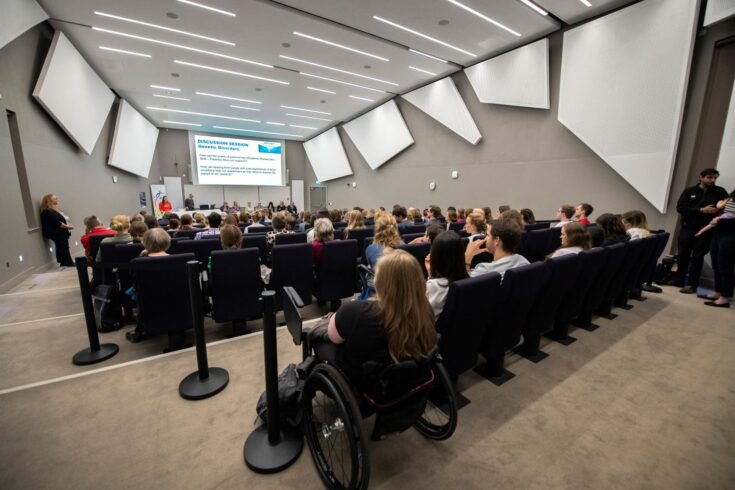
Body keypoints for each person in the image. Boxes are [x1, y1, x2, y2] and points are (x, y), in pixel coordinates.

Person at [313, 249, 437, 390]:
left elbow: (333, 338)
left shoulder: (357, 311)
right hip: (404, 378)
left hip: (367, 383)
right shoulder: (425, 309)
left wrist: (339, 316)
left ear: (382, 282)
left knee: (317, 341)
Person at [671, 168, 729, 293]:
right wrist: (700, 210)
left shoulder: (720, 192)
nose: (713, 180)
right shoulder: (689, 191)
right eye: (709, 177)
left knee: (698, 257)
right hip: (687, 228)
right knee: (682, 254)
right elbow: (680, 208)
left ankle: (692, 284)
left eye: (715, 178)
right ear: (701, 177)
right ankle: (679, 279)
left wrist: (717, 213)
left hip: (706, 230)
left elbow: (726, 207)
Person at [425, 231, 469, 319]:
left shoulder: (433, 286)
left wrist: (430, 276)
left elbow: (424, 317)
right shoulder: (470, 279)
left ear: (436, 255)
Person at [704, 189, 735, 308]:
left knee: (725, 266)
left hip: (731, 236)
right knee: (716, 264)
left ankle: (724, 297)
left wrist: (719, 221)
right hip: (718, 233)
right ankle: (717, 291)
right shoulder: (730, 198)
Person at [40, 194, 74, 266]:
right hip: (57, 233)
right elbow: (57, 223)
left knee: (61, 247)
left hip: (62, 232)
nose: (57, 200)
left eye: (56, 198)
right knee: (63, 247)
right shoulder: (47, 212)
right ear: (49, 201)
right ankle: (68, 262)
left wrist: (69, 225)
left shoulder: (56, 210)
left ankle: (63, 262)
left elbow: (63, 220)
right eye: (54, 199)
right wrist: (68, 227)